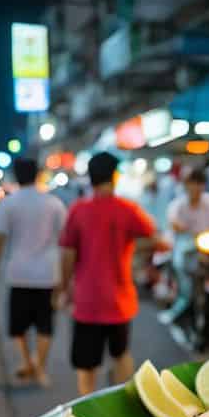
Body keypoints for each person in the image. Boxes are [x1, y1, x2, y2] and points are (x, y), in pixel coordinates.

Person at [58, 152, 156, 395]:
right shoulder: (127, 209)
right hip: (119, 301)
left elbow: (68, 255)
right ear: (114, 176)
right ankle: (121, 403)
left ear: (90, 178)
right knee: (120, 355)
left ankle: (85, 411)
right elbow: (153, 238)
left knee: (86, 364)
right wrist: (130, 246)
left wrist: (63, 289)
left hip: (87, 301)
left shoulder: (78, 210)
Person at [0, 157, 66, 386]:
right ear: (38, 174)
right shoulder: (53, 203)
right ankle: (40, 367)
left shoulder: (10, 203)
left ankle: (26, 362)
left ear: (16, 176)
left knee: (17, 326)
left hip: (19, 273)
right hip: (48, 274)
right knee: (45, 325)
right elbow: (65, 240)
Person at [160, 167, 209, 323]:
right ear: (185, 185)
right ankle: (179, 309)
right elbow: (174, 224)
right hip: (188, 252)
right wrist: (183, 229)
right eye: (192, 183)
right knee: (187, 289)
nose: (196, 187)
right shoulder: (178, 206)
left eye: (199, 183)